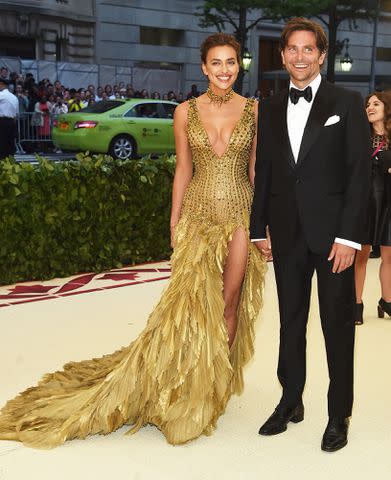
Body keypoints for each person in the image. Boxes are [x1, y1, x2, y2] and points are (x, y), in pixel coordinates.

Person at [0, 32, 266, 449]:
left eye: (231, 62)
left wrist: (263, 226)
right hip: (196, 215)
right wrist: (174, 221)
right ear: (203, 67)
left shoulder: (253, 111)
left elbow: (255, 171)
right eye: (216, 62)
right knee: (191, 305)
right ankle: (183, 380)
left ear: (239, 65)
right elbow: (182, 170)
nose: (224, 70)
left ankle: (214, 387)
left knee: (229, 303)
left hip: (238, 215)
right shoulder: (184, 112)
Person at [250, 17, 371, 452]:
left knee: (337, 326)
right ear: (282, 55)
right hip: (285, 233)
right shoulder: (269, 104)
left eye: (308, 49)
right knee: (290, 323)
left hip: (334, 237)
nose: (300, 57)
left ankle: (339, 414)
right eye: (292, 49)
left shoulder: (348, 101)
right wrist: (256, 228)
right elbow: (264, 170)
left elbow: (359, 176)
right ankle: (290, 401)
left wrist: (349, 238)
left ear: (322, 55)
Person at [354, 91, 391, 324]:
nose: (370, 107)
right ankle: (355, 304)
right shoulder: (359, 137)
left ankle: (386, 301)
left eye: (376, 103)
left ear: (387, 108)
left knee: (389, 255)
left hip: (389, 202)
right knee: (361, 255)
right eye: (368, 104)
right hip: (365, 202)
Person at [0, 78, 19, 160]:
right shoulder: (14, 97)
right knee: (10, 143)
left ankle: (2, 161)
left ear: (1, 84)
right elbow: (16, 114)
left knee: (2, 142)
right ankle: (10, 161)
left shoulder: (1, 95)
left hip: (2, 121)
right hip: (12, 122)